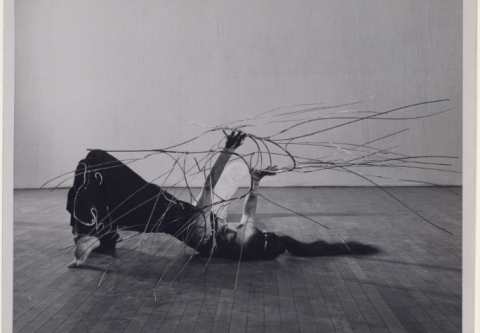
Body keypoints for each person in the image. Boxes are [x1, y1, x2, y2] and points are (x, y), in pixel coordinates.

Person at [66, 131, 377, 267]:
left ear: (234, 249)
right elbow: (249, 214)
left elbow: (209, 185)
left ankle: (89, 235)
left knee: (95, 161)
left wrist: (227, 150)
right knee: (87, 171)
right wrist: (255, 183)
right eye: (238, 228)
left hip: (146, 205)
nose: (232, 227)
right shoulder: (235, 243)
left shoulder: (205, 234)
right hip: (149, 206)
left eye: (233, 234)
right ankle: (101, 236)